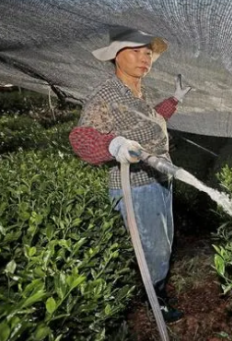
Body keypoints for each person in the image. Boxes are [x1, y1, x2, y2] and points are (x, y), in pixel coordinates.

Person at [69, 27, 191, 323]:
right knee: (151, 248)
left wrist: (174, 99)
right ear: (115, 56)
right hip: (136, 186)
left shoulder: (137, 91)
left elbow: (152, 120)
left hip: (160, 180)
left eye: (147, 52)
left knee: (163, 241)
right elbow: (81, 138)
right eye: (135, 51)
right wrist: (111, 144)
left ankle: (156, 289)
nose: (143, 58)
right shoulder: (106, 95)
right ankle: (155, 301)